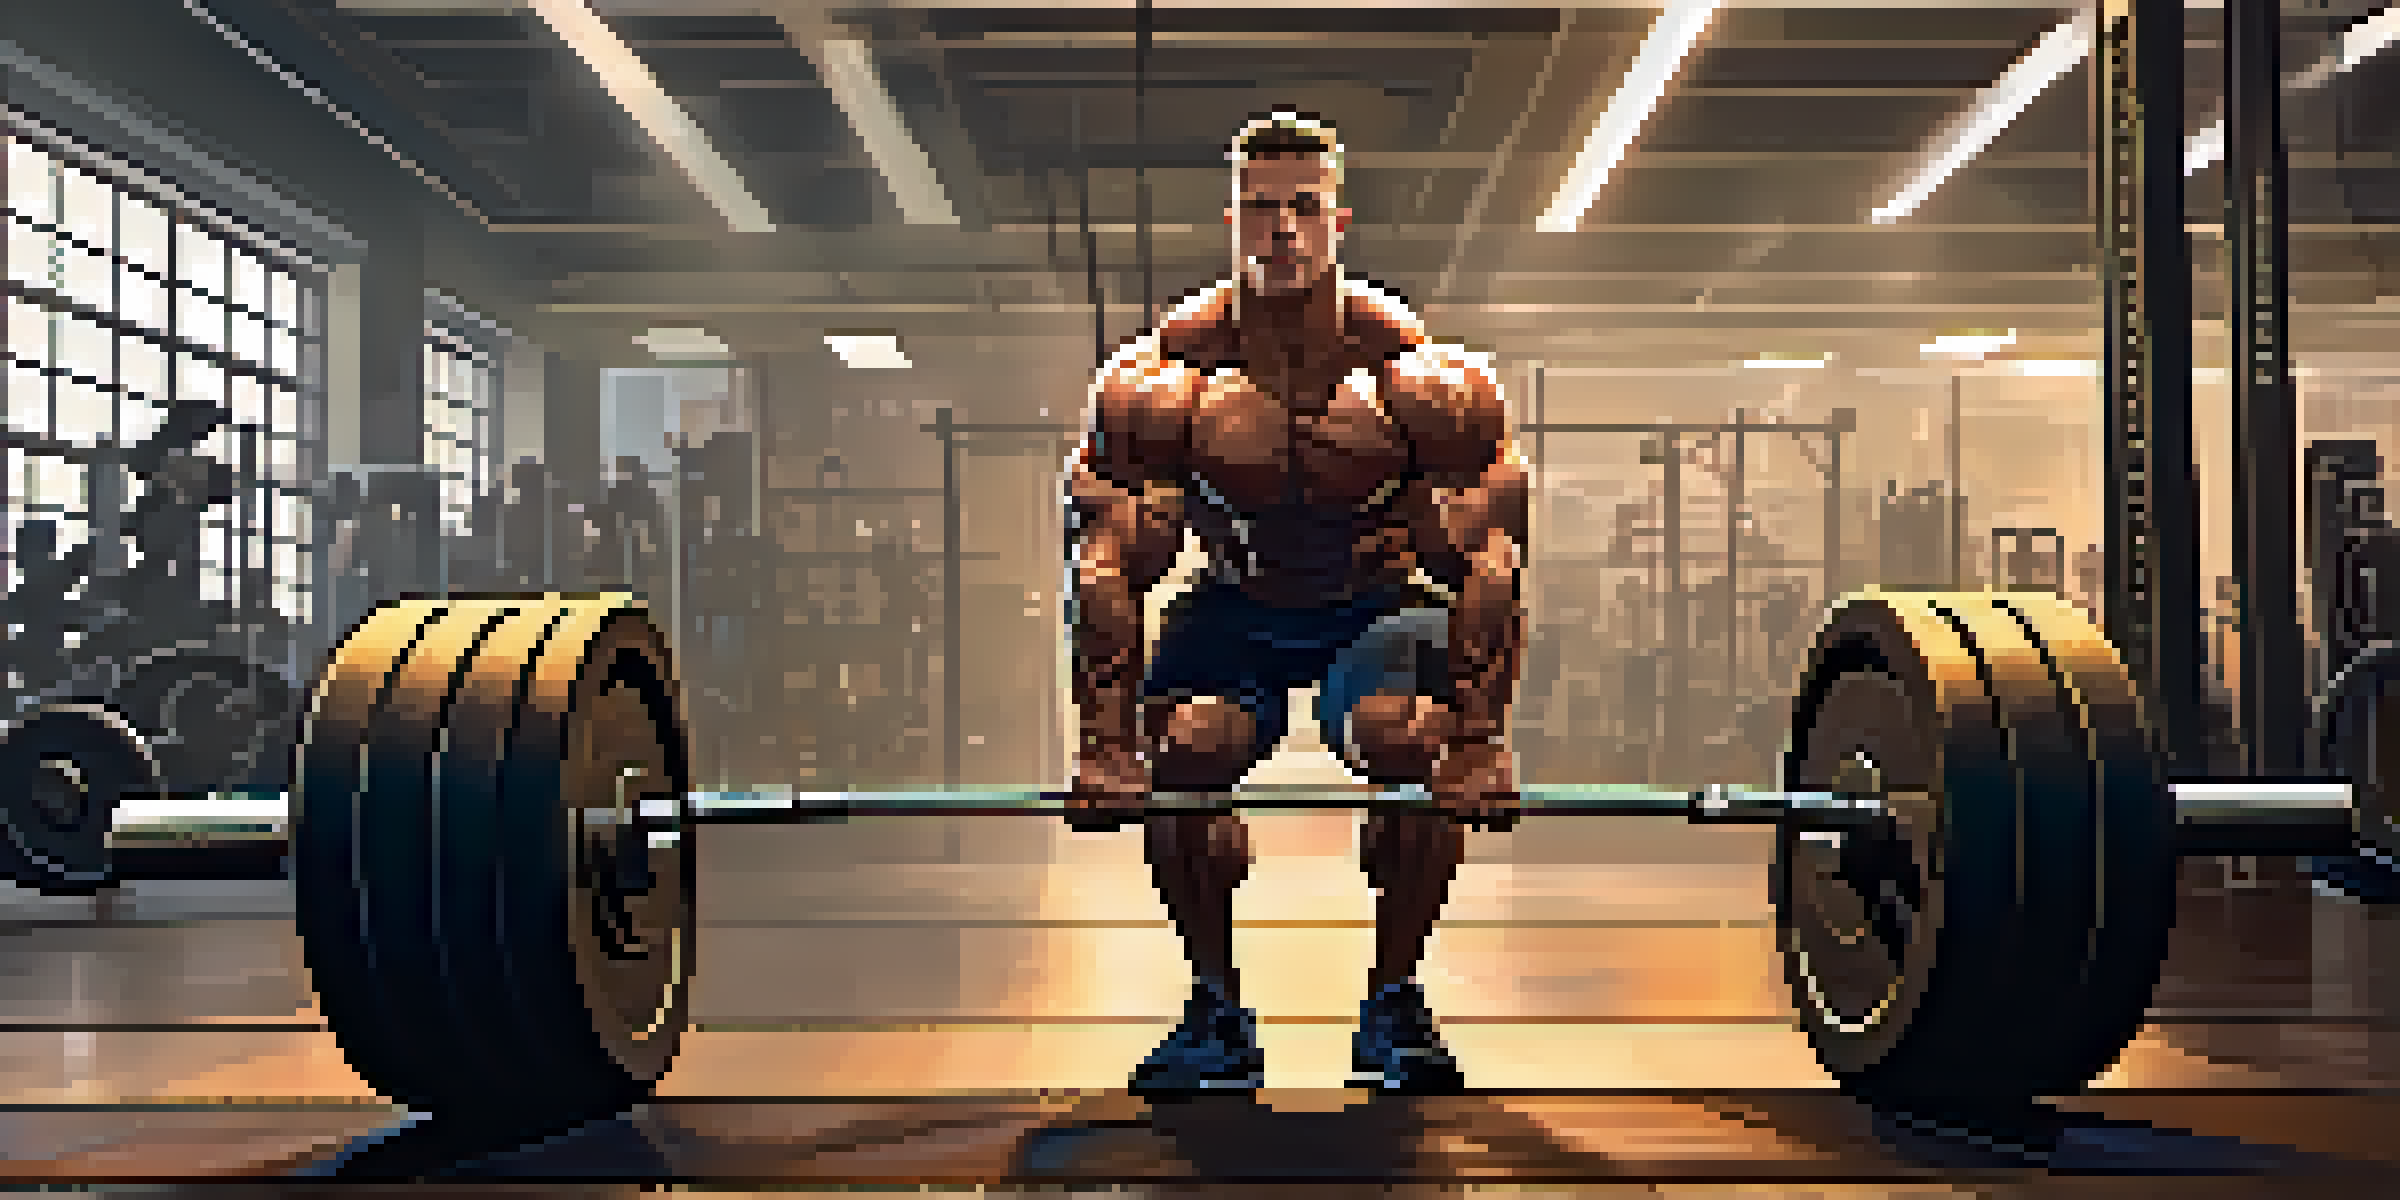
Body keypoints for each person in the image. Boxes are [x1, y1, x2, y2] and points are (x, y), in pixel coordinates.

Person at [1063, 110, 1528, 1096]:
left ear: (1338, 220)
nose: (1282, 230)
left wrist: (1482, 739)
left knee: (1405, 740)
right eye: (1262, 210)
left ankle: (1394, 1002)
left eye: (1303, 209)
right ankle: (1215, 1008)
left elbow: (1487, 551)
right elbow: (1109, 557)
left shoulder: (1418, 381)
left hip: (1374, 599)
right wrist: (1105, 742)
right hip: (1236, 598)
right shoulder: (1165, 381)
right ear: (1232, 220)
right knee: (1185, 753)